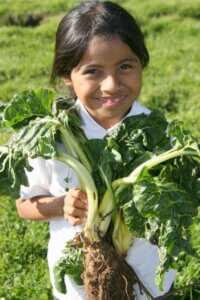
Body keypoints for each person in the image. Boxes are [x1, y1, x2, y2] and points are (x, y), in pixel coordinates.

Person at [16, 1, 175, 299]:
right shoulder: (52, 133)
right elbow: (25, 204)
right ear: (67, 75)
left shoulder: (155, 129)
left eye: (125, 66)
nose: (112, 85)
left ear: (142, 63)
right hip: (81, 282)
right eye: (93, 71)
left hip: (149, 278)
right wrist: (60, 204)